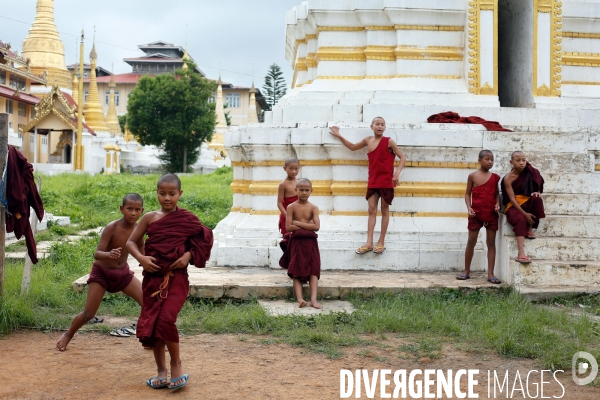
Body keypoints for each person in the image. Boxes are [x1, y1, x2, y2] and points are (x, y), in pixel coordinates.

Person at [126, 174, 213, 390]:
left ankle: (176, 364)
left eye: (172, 194)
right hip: (152, 280)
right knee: (154, 324)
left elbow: (205, 237)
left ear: (180, 194)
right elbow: (131, 242)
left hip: (177, 279)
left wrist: (189, 256)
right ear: (156, 193)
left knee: (165, 319)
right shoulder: (149, 218)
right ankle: (161, 371)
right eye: (162, 193)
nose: (167, 198)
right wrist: (141, 259)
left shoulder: (187, 219)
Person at [56, 194, 145, 351]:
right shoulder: (112, 228)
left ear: (142, 211)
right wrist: (109, 254)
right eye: (129, 209)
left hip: (123, 275)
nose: (133, 213)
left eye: (137, 210)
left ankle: (150, 339)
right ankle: (68, 334)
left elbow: (142, 250)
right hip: (102, 274)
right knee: (89, 314)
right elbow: (97, 253)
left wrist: (148, 264)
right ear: (121, 209)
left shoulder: (139, 229)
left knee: (148, 305)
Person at [329, 117, 406, 254]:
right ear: (372, 126)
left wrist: (397, 173)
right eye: (377, 124)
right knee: (371, 209)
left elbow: (402, 157)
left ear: (385, 127)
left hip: (387, 181)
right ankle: (369, 242)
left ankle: (381, 241)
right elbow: (352, 147)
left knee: (384, 209)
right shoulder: (367, 140)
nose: (380, 127)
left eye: (383, 124)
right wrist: (339, 135)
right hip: (373, 181)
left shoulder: (389, 141)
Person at [457, 150, 501, 284]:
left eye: (492, 159)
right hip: (475, 213)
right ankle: (466, 271)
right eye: (487, 159)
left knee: (491, 243)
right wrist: (469, 207)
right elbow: (467, 194)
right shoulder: (472, 176)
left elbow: (496, 194)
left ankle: (490, 273)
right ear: (479, 160)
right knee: (471, 241)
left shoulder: (495, 177)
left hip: (491, 213)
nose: (490, 162)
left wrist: (498, 203)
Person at [279, 178, 321, 309]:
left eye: (306, 190)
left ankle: (314, 300)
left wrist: (298, 223)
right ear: (296, 190)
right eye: (301, 190)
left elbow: (317, 226)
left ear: (311, 191)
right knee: (296, 270)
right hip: (296, 243)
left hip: (311, 243)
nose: (304, 192)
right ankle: (300, 299)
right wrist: (307, 225)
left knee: (314, 270)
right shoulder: (291, 207)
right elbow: (289, 227)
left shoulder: (313, 208)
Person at [501, 151, 545, 263]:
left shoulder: (530, 172)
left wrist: (537, 191)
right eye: (518, 160)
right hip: (514, 205)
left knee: (536, 198)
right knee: (520, 218)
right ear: (511, 162)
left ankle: (530, 227)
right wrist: (524, 213)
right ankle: (521, 253)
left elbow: (538, 181)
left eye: (523, 160)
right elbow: (511, 199)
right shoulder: (508, 178)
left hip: (526, 200)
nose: (521, 163)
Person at [277, 157, 300, 235]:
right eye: (291, 169)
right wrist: (288, 216)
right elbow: (279, 204)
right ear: (285, 168)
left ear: (299, 168)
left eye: (296, 169)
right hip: (287, 215)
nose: (294, 171)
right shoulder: (283, 184)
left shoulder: (300, 182)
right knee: (288, 238)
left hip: (299, 215)